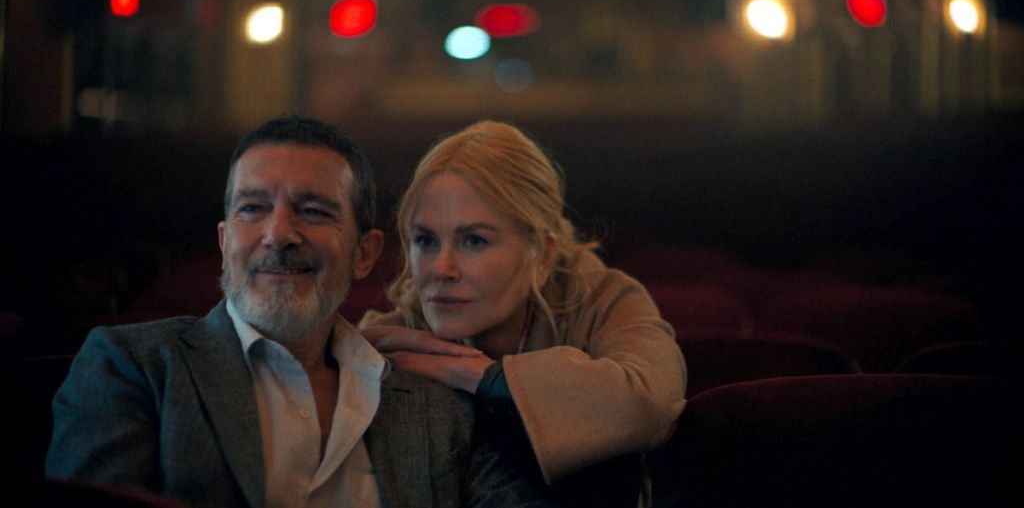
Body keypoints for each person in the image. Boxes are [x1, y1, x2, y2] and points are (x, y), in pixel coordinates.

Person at [45, 115, 553, 508]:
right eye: (252, 208)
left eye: (312, 211)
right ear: (224, 242)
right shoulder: (134, 366)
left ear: (364, 254)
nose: (279, 234)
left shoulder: (439, 405)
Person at [359, 120, 687, 507]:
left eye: (474, 240)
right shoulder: (393, 335)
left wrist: (481, 376)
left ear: (542, 254)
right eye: (425, 240)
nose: (441, 268)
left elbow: (650, 402)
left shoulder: (604, 298)